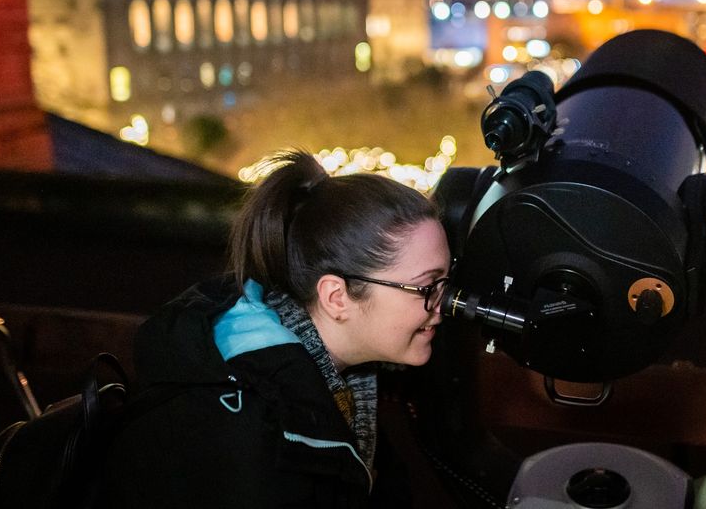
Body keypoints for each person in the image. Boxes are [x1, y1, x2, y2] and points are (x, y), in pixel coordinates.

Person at [100, 149, 450, 508]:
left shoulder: (346, 387)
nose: (444, 305)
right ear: (336, 297)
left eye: (446, 283)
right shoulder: (246, 429)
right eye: (426, 288)